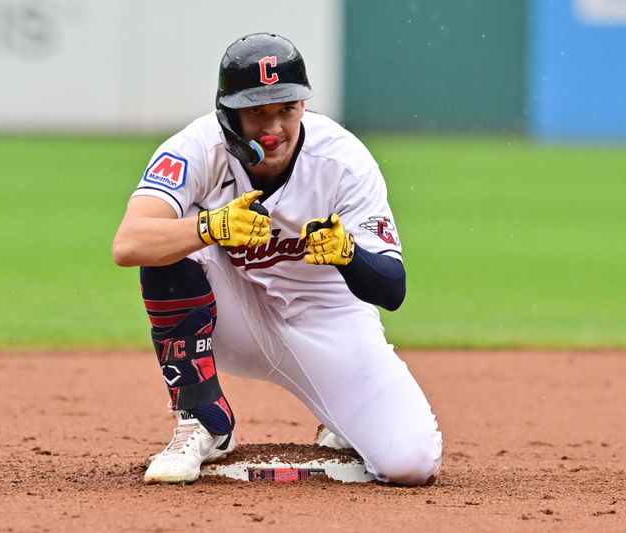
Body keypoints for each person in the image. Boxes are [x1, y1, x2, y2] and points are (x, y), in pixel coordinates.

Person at [112, 33, 442, 486]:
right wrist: (210, 227)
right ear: (227, 113)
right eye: (256, 112)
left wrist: (350, 256)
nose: (274, 127)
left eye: (286, 108)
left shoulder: (343, 162)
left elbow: (392, 290)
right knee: (171, 236)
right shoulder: (198, 148)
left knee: (410, 463)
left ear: (304, 106)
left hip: (328, 323)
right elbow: (129, 244)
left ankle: (339, 412)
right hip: (235, 318)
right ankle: (203, 416)